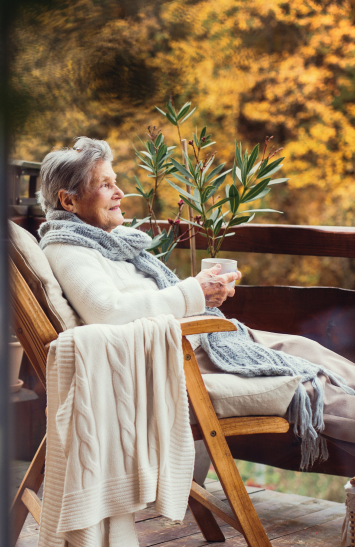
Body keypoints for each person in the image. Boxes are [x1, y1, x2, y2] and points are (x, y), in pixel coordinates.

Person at [37, 136, 355, 477]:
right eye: (105, 185)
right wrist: (194, 294)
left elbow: (137, 297)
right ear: (68, 201)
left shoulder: (106, 242)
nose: (120, 193)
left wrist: (204, 293)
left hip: (205, 340)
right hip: (179, 357)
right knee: (317, 388)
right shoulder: (68, 251)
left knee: (309, 351)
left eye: (115, 182)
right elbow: (109, 313)